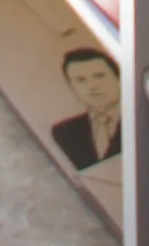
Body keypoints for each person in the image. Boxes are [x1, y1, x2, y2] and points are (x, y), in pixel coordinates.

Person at [49, 40, 122, 175]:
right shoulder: (64, 132)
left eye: (99, 76)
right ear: (71, 87)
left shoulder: (141, 119)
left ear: (118, 78)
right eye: (81, 80)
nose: (92, 86)